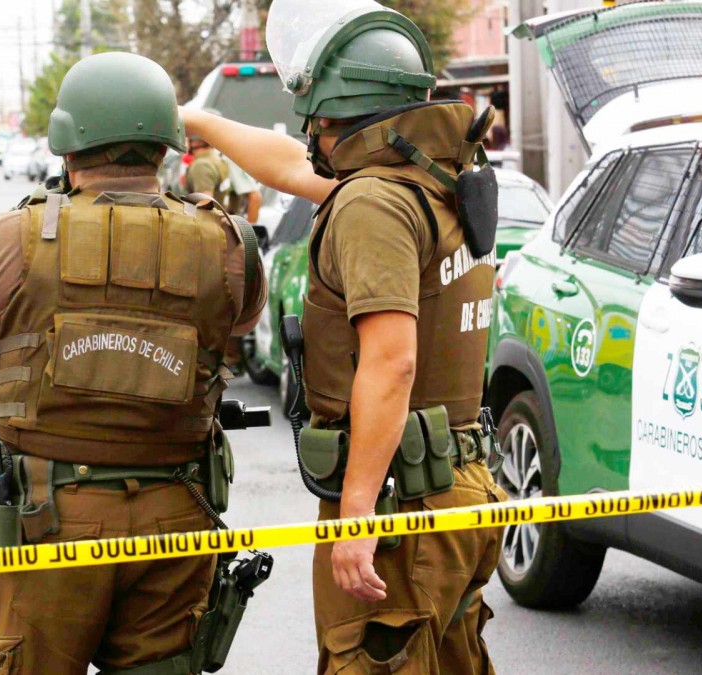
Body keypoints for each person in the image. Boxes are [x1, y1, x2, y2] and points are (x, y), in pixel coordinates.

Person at [0, 52, 266, 674]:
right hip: (176, 516)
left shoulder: (14, 238)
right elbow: (237, 323)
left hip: (49, 522)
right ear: (167, 146)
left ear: (66, 146)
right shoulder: (230, 245)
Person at [182, 0, 507, 672]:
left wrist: (357, 517)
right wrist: (199, 121)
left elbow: (390, 363)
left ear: (345, 114)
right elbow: (290, 167)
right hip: (458, 487)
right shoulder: (435, 179)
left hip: (399, 504)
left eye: (321, 121)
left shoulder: (371, 202)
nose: (312, 137)